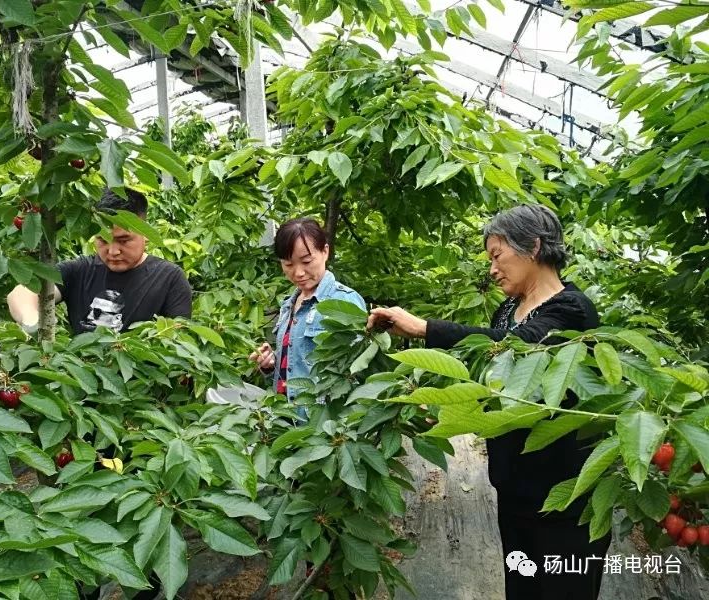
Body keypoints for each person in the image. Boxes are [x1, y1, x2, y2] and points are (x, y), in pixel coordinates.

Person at [367, 204, 610, 600]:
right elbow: (491, 380)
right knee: (522, 587)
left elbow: (517, 347)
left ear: (532, 247)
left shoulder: (572, 310)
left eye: (497, 256)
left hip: (564, 500)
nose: (492, 269)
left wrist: (424, 328)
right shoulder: (507, 309)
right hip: (514, 490)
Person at [7, 187, 192, 335]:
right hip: (80, 380)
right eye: (103, 240)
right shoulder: (79, 271)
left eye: (124, 240)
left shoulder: (169, 279)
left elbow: (178, 340)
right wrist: (33, 322)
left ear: (145, 233)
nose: (113, 251)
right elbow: (22, 293)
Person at [249, 217, 366, 406]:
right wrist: (271, 365)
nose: (298, 272)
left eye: (306, 261)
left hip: (322, 424)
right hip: (287, 420)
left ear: (325, 252)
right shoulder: (288, 305)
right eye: (288, 264)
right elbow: (296, 371)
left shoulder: (343, 302)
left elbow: (360, 371)